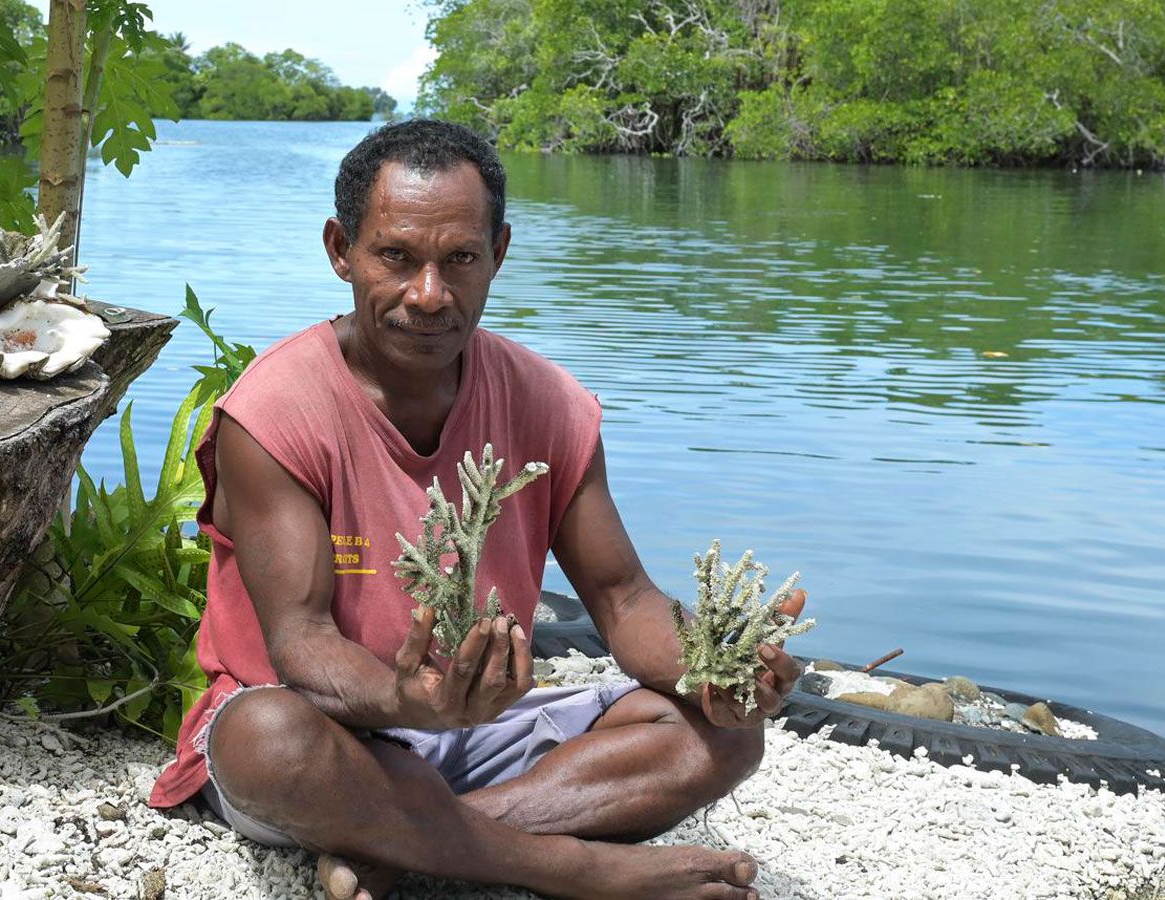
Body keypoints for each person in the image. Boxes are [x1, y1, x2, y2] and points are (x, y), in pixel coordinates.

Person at [146, 118, 806, 900]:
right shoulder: (275, 412)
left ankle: (405, 845)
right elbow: (300, 641)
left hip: (473, 725)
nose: (429, 295)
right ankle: (575, 870)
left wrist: (717, 671)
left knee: (720, 740)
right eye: (396, 256)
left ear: (498, 253)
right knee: (267, 740)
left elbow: (625, 600)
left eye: (460, 259)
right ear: (340, 250)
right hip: (334, 729)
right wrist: (407, 700)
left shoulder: (550, 406)